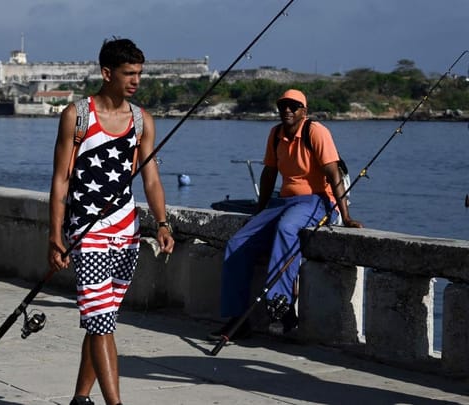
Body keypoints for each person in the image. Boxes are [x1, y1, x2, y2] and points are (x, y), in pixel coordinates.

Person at [48, 38, 174, 405]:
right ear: (107, 73)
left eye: (138, 73)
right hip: (86, 233)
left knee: (101, 319)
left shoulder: (141, 120)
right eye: (128, 73)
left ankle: (79, 399)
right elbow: (60, 179)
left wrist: (162, 224)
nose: (135, 81)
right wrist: (54, 235)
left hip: (127, 232)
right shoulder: (77, 115)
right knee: (101, 321)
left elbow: (150, 178)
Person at [208, 89, 363, 342]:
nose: (287, 111)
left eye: (293, 106)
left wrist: (345, 216)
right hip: (285, 200)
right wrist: (260, 212)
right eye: (283, 106)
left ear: (304, 111)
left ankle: (281, 306)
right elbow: (269, 174)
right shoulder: (275, 135)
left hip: (318, 200)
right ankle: (237, 320)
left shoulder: (316, 132)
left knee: (287, 228)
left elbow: (334, 175)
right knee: (238, 242)